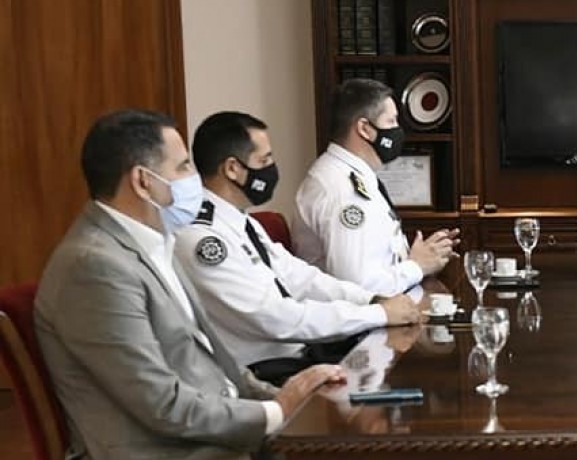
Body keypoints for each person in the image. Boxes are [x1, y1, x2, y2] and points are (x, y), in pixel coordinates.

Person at [34, 109, 345, 460]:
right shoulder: (94, 267)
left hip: (214, 435)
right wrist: (276, 412)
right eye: (183, 167)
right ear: (143, 181)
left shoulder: (155, 240)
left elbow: (218, 364)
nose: (195, 179)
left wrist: (286, 400)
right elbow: (160, 404)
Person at [173, 111, 420, 383]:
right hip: (261, 376)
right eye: (264, 160)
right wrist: (377, 314)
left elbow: (300, 277)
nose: (272, 168)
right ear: (232, 169)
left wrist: (371, 300)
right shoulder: (204, 239)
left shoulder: (241, 221)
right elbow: (277, 319)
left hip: (298, 355)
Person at [291, 78, 459, 299]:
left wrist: (424, 257)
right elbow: (359, 288)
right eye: (391, 121)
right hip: (365, 318)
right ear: (364, 129)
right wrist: (417, 266)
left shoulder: (353, 175)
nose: (398, 130)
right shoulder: (342, 190)